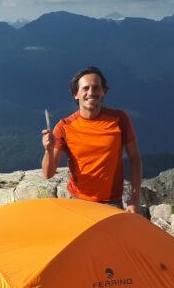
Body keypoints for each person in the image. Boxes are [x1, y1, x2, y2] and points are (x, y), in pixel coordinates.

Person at [41, 66, 143, 214]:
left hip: (112, 203)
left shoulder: (120, 119)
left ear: (104, 92)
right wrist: (48, 150)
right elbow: (48, 174)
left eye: (96, 88)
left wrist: (135, 199)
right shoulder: (64, 127)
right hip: (78, 203)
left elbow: (135, 159)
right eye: (85, 88)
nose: (91, 93)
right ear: (76, 94)